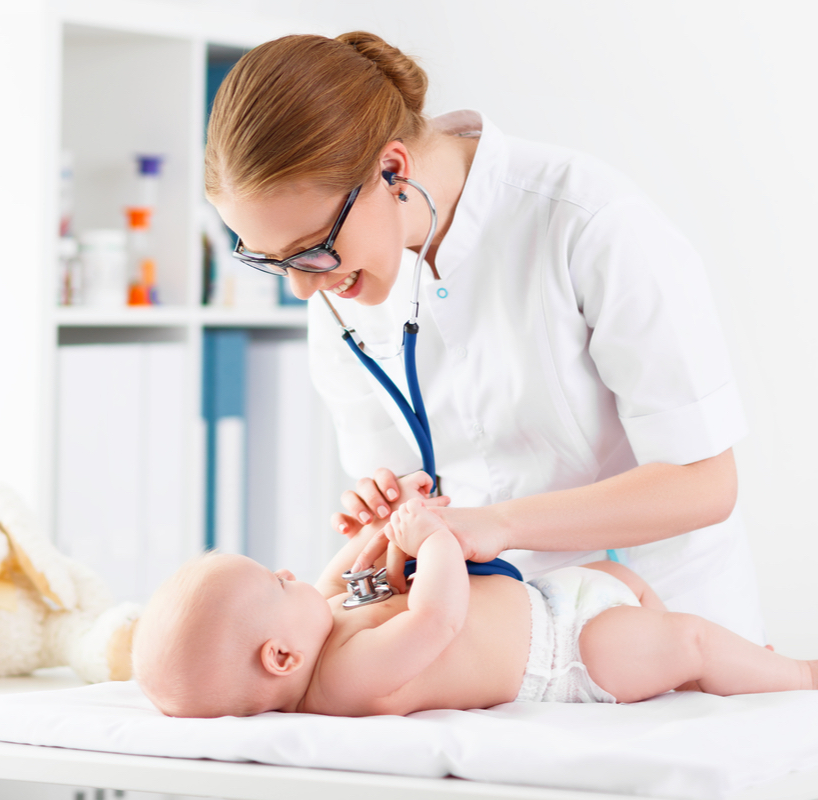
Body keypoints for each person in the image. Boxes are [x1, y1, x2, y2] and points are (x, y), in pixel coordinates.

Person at [205, 32, 764, 644]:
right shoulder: (341, 293)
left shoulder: (588, 222)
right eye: (271, 261)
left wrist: (500, 523)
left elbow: (703, 484)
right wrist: (393, 511)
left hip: (663, 631)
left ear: (393, 169)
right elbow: (414, 508)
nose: (303, 289)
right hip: (498, 648)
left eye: (311, 249)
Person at [132, 473, 812, 718]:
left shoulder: (321, 623)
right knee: (684, 640)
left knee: (632, 588)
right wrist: (429, 539)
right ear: (279, 658)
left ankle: (722, 674)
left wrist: (384, 518)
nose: (289, 572)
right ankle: (795, 676)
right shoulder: (342, 680)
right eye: (273, 581)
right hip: (569, 658)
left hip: (555, 601)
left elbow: (350, 577)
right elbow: (437, 617)